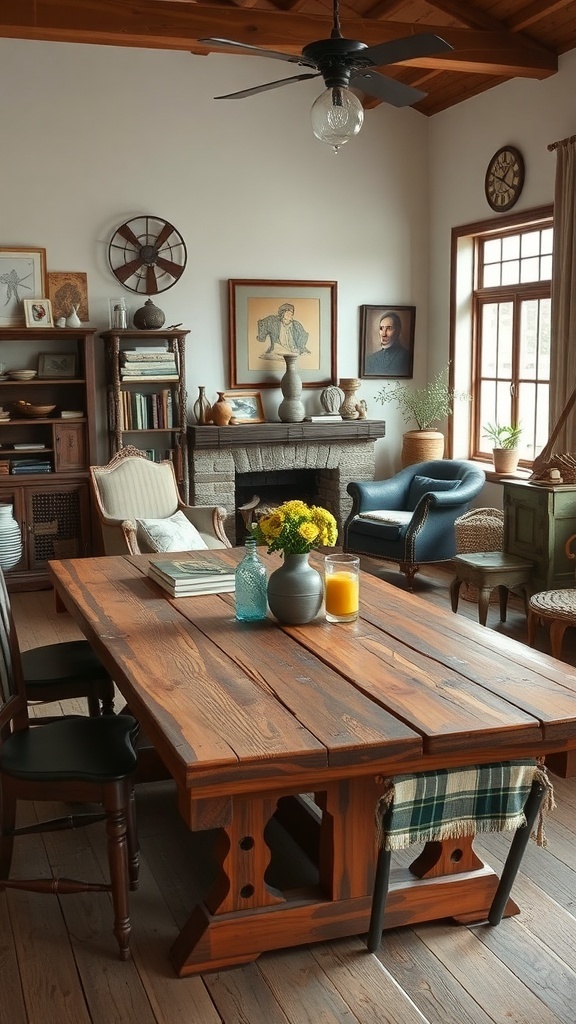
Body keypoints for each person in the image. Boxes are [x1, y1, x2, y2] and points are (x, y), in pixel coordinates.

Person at [365, 311, 412, 376]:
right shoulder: (372, 359)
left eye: (389, 328)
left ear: (398, 331)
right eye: (381, 328)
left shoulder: (405, 356)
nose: (383, 334)